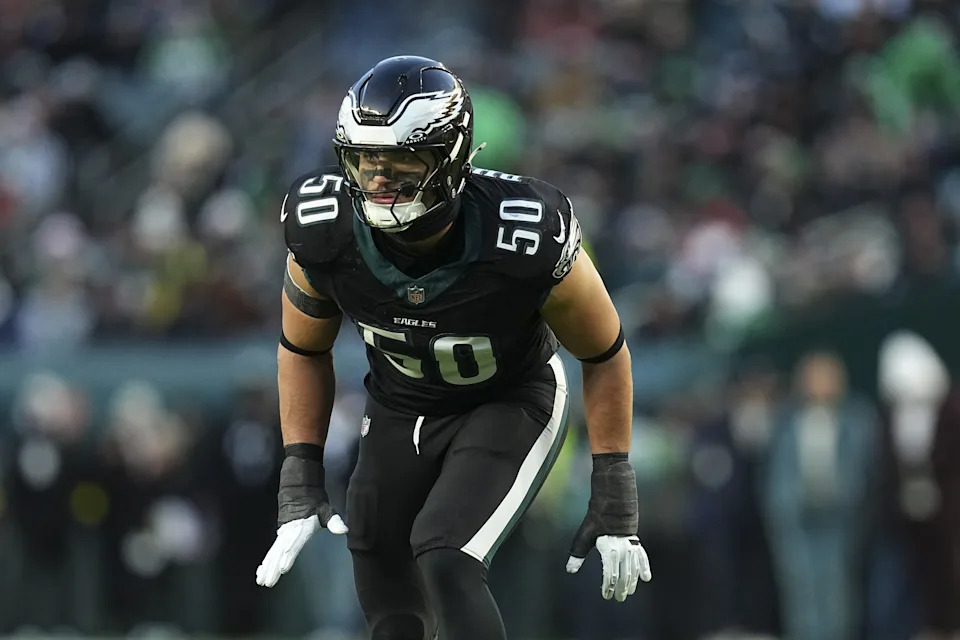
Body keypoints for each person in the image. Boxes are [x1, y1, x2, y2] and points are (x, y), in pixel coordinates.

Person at [255, 55, 651, 640]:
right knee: (377, 556)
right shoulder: (323, 225)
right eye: (366, 161)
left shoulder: (524, 232)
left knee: (446, 555)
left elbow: (604, 352)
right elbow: (302, 348)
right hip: (400, 402)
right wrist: (300, 469)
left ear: (450, 157)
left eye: (401, 161)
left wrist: (614, 479)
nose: (380, 179)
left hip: (510, 398)